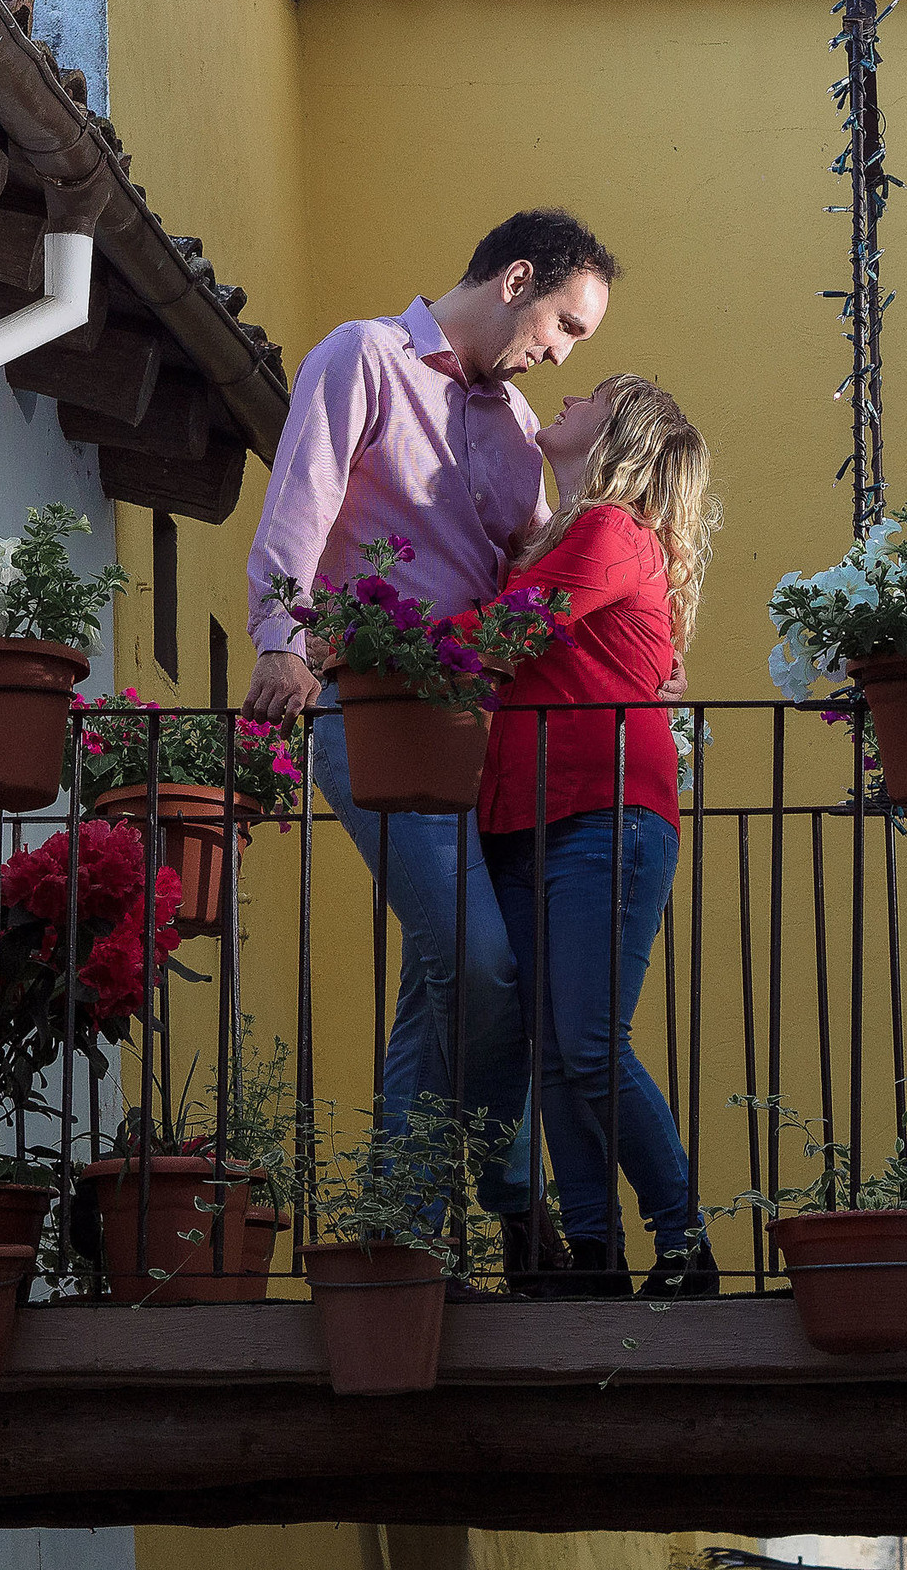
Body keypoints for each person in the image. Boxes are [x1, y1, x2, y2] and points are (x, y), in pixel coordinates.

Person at [242, 208, 621, 1288]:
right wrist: (279, 643)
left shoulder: (513, 426)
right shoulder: (362, 355)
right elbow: (300, 501)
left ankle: (400, 1234)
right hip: (368, 711)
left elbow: (538, 576)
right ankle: (513, 1200)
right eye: (564, 324)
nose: (562, 353)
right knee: (482, 964)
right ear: (515, 280)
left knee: (439, 983)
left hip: (471, 737)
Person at [468, 373, 720, 1300]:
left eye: (592, 398)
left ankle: (683, 1246)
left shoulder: (611, 530)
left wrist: (367, 641)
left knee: (587, 1047)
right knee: (556, 1052)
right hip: (529, 815)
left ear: (619, 436)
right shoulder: (571, 536)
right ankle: (593, 1252)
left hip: (602, 813)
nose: (566, 398)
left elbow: (505, 633)